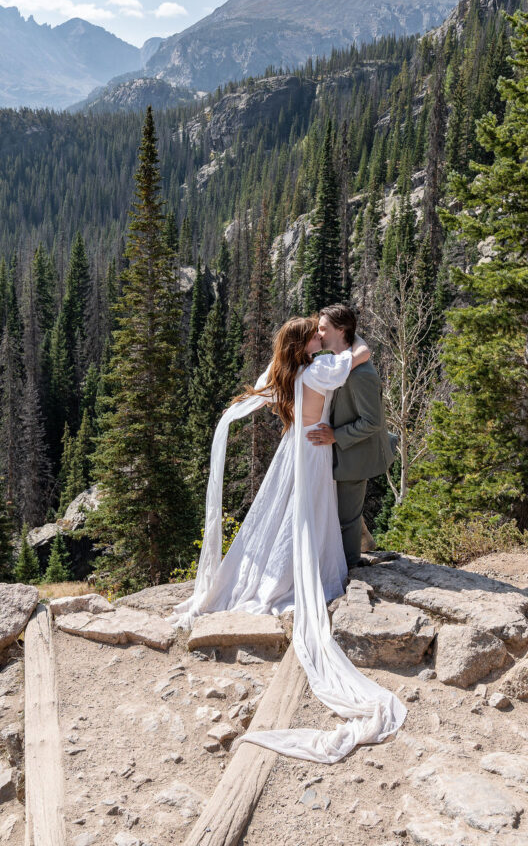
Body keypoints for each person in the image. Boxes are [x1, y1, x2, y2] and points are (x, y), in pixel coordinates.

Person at [170, 315, 406, 763]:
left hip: (294, 444)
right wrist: (353, 346)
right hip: (315, 450)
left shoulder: (288, 369)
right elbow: (359, 355)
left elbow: (267, 380)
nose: (322, 335)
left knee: (284, 515)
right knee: (309, 514)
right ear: (305, 344)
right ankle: (302, 572)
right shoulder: (319, 370)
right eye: (315, 333)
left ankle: (278, 569)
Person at [307, 304, 397, 567]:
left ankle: (349, 570)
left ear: (341, 330)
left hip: (353, 456)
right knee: (338, 514)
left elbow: (372, 421)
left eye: (323, 328)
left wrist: (336, 435)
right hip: (337, 452)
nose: (318, 333)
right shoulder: (339, 364)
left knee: (346, 519)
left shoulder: (361, 375)